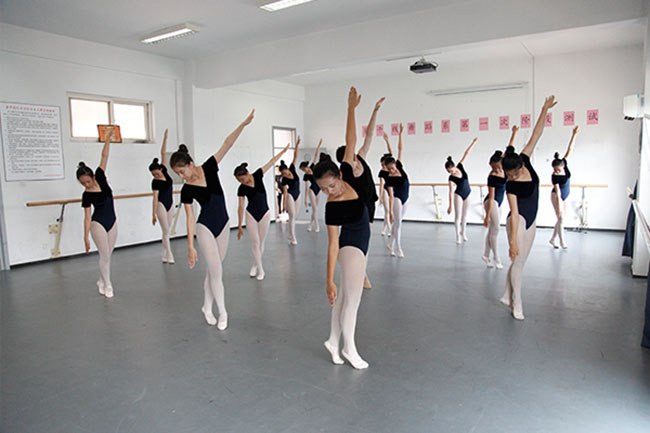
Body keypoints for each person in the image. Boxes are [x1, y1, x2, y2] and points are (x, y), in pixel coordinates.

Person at [171, 109, 255, 330]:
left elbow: (227, 144)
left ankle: (206, 307)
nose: (181, 176)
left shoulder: (209, 167)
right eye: (177, 174)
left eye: (182, 171)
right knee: (217, 272)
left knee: (213, 270)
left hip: (224, 224)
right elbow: (190, 218)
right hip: (205, 227)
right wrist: (190, 246)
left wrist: (243, 124)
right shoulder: (186, 190)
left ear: (190, 163)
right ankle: (223, 312)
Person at [316, 86, 371, 369]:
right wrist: (329, 281)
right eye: (323, 189)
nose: (330, 191)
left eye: (331, 185)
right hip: (351, 246)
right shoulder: (332, 207)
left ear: (339, 174)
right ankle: (349, 348)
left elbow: (351, 139)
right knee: (353, 300)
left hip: (362, 241)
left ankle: (333, 339)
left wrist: (351, 108)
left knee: (345, 299)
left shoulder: (348, 171)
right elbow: (332, 245)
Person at [500, 96, 557, 320]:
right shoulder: (511, 186)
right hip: (518, 220)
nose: (511, 178)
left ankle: (506, 294)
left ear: (521, 166)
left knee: (520, 261)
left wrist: (544, 109)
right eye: (508, 175)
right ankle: (517, 302)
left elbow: (536, 133)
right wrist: (513, 241)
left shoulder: (525, 158)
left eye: (514, 174)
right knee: (518, 260)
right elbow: (514, 213)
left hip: (532, 219)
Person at [334, 96, 385, 286]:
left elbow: (369, 135)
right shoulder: (345, 172)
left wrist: (375, 111)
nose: (353, 160)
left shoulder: (361, 156)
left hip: (369, 204)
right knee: (360, 238)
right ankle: (359, 272)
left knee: (367, 238)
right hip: (356, 209)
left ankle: (362, 272)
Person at [234, 143, 290, 281]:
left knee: (261, 242)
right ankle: (261, 270)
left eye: (242, 179)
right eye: (239, 181)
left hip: (264, 213)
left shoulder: (258, 175)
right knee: (255, 243)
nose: (242, 182)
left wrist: (283, 151)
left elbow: (271, 162)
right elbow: (240, 207)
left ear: (247, 173)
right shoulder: (241, 188)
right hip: (251, 214)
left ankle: (255, 265)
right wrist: (240, 225)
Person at [78, 126, 118, 298]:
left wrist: (108, 138)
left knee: (108, 255)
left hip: (112, 221)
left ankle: (101, 280)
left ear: (93, 177)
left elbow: (104, 156)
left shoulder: (101, 176)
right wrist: (85, 237)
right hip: (98, 224)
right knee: (104, 256)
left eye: (87, 181)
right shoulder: (86, 195)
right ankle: (107, 284)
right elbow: (87, 217)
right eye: (82, 183)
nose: (86, 185)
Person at [482, 126, 518, 268]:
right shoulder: (492, 176)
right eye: (493, 168)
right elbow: (491, 197)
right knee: (496, 229)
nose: (496, 169)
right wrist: (486, 216)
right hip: (491, 203)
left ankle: (486, 255)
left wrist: (514, 133)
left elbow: (510, 148)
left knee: (493, 230)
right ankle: (496, 258)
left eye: (497, 167)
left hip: (499, 203)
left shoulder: (504, 165)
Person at [549, 126, 580, 249]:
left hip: (565, 196)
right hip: (556, 196)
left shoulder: (564, 164)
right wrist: (559, 206)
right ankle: (562, 242)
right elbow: (557, 191)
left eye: (558, 169)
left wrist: (574, 135)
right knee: (561, 218)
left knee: (561, 219)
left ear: (562, 165)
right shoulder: (554, 176)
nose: (556, 171)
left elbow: (570, 149)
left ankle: (552, 239)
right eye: (555, 170)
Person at [149, 128, 175, 264]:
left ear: (160, 169)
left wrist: (165, 138)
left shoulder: (164, 171)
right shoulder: (155, 182)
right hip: (161, 206)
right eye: (153, 175)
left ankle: (163, 254)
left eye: (157, 173)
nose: (156, 176)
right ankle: (170, 255)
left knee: (166, 231)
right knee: (166, 232)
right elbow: (155, 198)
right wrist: (153, 214)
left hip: (170, 204)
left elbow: (163, 153)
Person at [446, 138, 478, 244]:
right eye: (449, 172)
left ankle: (463, 233)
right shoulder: (451, 178)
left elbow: (466, 153)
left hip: (468, 193)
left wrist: (473, 143)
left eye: (451, 170)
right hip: (458, 195)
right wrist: (450, 205)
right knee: (458, 216)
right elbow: (450, 192)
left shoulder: (460, 166)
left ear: (454, 166)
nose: (451, 173)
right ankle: (457, 236)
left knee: (465, 216)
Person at [385, 124, 409, 258]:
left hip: (406, 198)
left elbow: (400, 149)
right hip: (397, 199)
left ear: (395, 165)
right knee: (398, 222)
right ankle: (398, 248)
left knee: (398, 223)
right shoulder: (389, 178)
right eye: (389, 170)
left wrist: (400, 134)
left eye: (393, 168)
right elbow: (390, 195)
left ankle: (391, 244)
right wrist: (390, 212)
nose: (392, 171)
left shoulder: (399, 166)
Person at [280, 136, 302, 245]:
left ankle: (290, 234)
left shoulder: (292, 168)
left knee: (294, 216)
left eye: (286, 173)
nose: (285, 175)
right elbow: (285, 192)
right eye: (283, 174)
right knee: (292, 215)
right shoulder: (284, 180)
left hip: (298, 195)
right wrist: (284, 205)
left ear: (288, 169)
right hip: (290, 195)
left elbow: (295, 156)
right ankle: (293, 237)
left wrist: (297, 145)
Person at [299, 139, 324, 232]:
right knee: (315, 208)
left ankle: (310, 225)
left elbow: (316, 155)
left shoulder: (313, 166)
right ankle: (317, 226)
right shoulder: (306, 176)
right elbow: (306, 188)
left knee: (315, 209)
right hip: (312, 190)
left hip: (318, 189)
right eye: (302, 170)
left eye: (303, 169)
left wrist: (319, 145)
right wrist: (305, 199)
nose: (304, 171)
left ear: (306, 166)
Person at [377, 133, 394, 237]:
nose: (382, 166)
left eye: (383, 164)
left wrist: (387, 141)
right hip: (385, 190)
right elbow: (381, 184)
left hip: (392, 189)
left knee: (388, 211)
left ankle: (384, 228)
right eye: (382, 164)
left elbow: (391, 153)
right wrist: (380, 197)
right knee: (387, 210)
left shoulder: (391, 168)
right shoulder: (382, 172)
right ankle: (390, 229)